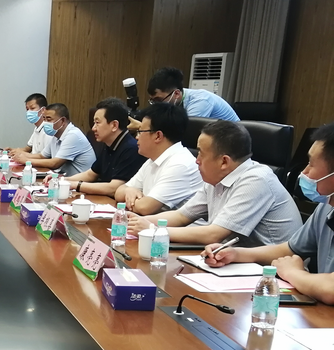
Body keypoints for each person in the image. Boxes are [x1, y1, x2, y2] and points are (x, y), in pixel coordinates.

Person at [203, 123, 334, 303]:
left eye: (311, 164)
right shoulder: (326, 206)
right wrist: (236, 254)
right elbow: (289, 249)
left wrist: (292, 272)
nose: (304, 172)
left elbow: (331, 289)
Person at [127, 120, 301, 245]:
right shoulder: (215, 178)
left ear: (224, 161)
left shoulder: (256, 180)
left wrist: (153, 230)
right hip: (233, 260)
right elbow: (181, 216)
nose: (197, 160)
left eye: (201, 153)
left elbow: (214, 234)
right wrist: (135, 221)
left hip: (272, 273)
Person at [114, 103, 202, 215]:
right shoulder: (153, 159)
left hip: (177, 226)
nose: (136, 137)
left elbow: (145, 207)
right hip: (151, 222)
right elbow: (118, 192)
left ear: (158, 136)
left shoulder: (180, 164)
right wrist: (129, 190)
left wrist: (128, 200)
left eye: (140, 131)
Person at [58, 98, 146, 197]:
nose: (93, 128)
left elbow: (113, 188)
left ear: (114, 125)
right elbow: (90, 174)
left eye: (97, 123)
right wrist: (61, 180)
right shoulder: (108, 144)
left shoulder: (131, 149)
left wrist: (75, 185)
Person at [13, 103, 95, 176]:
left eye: (49, 119)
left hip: (79, 183)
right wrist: (21, 155)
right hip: (63, 179)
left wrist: (27, 160)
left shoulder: (73, 135)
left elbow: (55, 163)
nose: (45, 123)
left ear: (62, 120)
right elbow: (42, 156)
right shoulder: (56, 134)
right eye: (44, 119)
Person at [147, 67, 239, 121]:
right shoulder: (178, 99)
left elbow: (186, 132)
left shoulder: (201, 101)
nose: (155, 104)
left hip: (232, 142)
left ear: (177, 94)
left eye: (159, 100)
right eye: (152, 100)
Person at [8, 93, 54, 158]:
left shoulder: (48, 130)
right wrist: (14, 151)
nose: (29, 112)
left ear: (43, 110)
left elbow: (45, 157)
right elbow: (29, 147)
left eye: (32, 108)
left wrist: (23, 156)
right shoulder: (37, 128)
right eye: (27, 109)